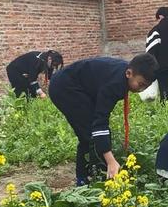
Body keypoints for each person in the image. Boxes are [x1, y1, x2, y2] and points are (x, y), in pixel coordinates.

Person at [49, 54, 158, 185]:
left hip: (82, 88)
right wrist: (111, 161)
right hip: (65, 87)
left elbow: (100, 118)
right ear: (129, 73)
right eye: (140, 84)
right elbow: (100, 120)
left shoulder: (124, 75)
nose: (141, 89)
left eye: (146, 86)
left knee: (96, 133)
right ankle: (85, 180)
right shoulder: (115, 84)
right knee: (89, 134)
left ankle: (98, 173)